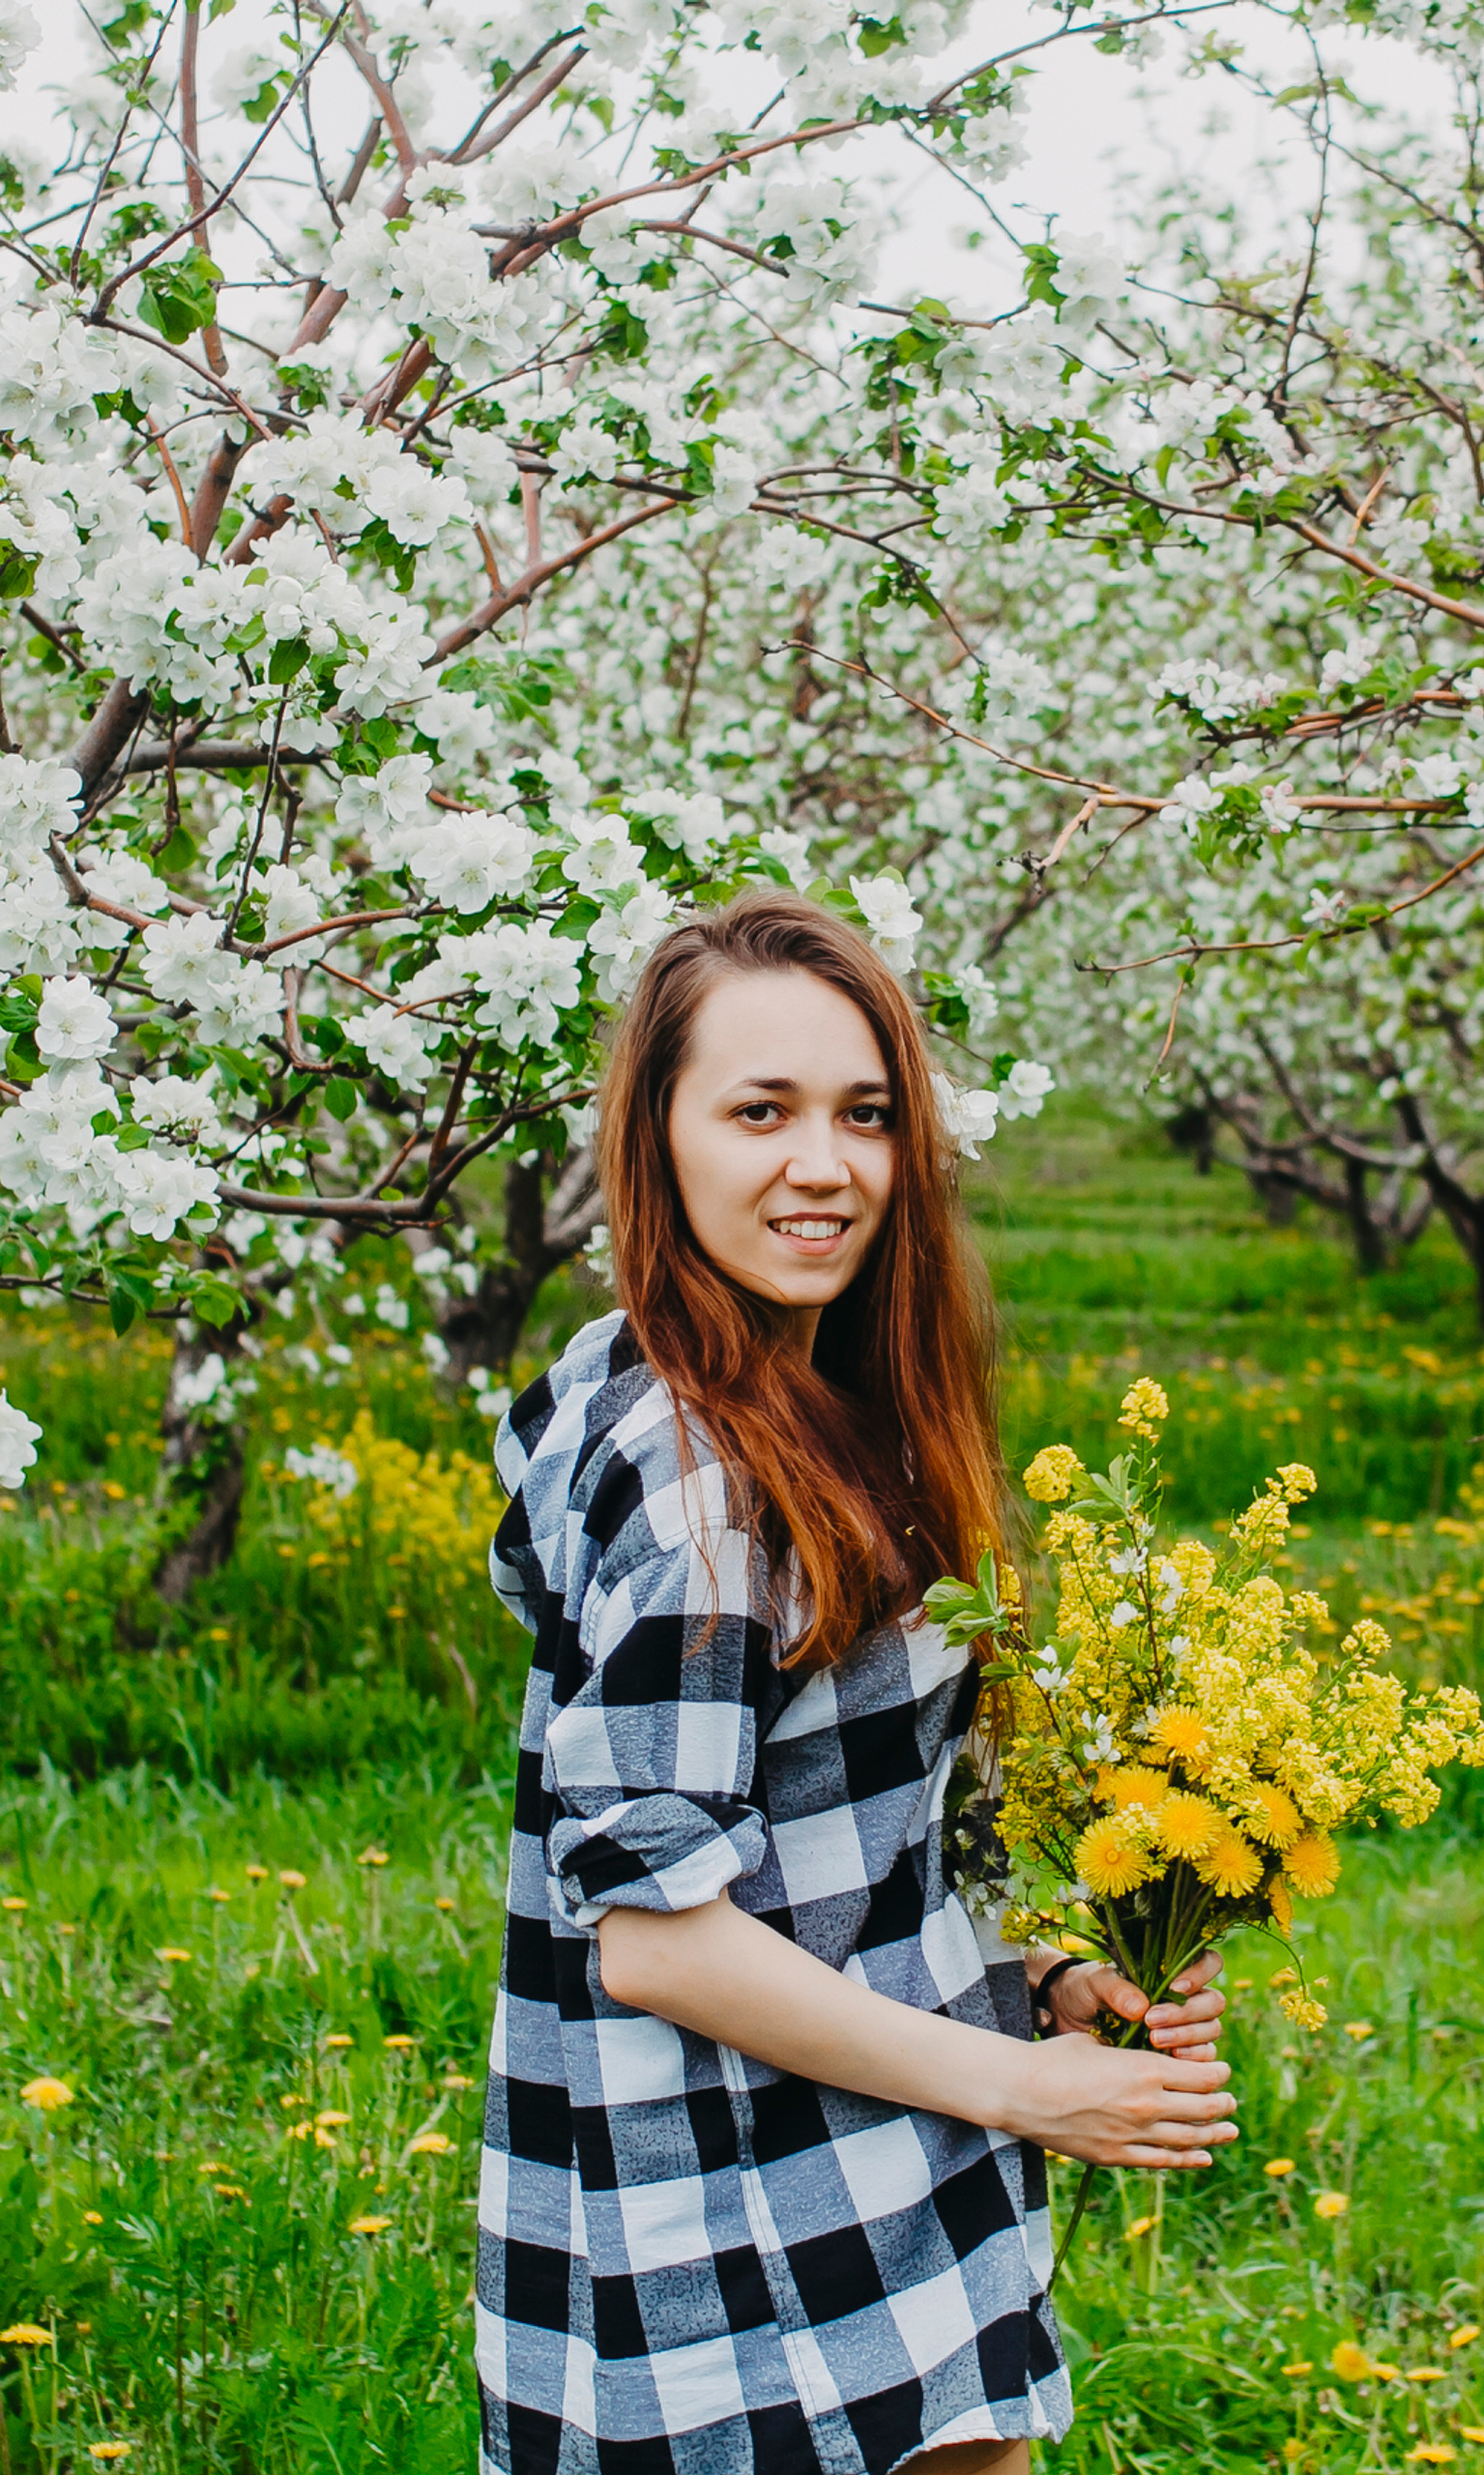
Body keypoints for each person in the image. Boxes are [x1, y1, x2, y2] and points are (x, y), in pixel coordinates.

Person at [479, 888, 1237, 2475]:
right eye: (759, 1111)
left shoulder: (803, 1396)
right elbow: (659, 1945)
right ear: (658, 1136)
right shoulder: (693, 1481)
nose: (823, 1168)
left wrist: (1032, 1970)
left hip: (883, 2159)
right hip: (735, 2216)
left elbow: (830, 1808)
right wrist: (1029, 2087)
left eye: (866, 1115)